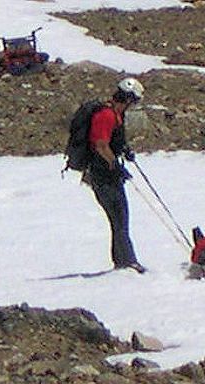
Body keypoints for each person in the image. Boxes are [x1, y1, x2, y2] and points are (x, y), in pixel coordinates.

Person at [86, 77, 146, 273]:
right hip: (103, 176)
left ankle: (124, 261)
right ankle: (127, 262)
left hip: (108, 174)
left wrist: (123, 150)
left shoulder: (115, 115)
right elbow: (101, 145)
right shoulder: (107, 115)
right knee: (119, 218)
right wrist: (114, 163)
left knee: (120, 218)